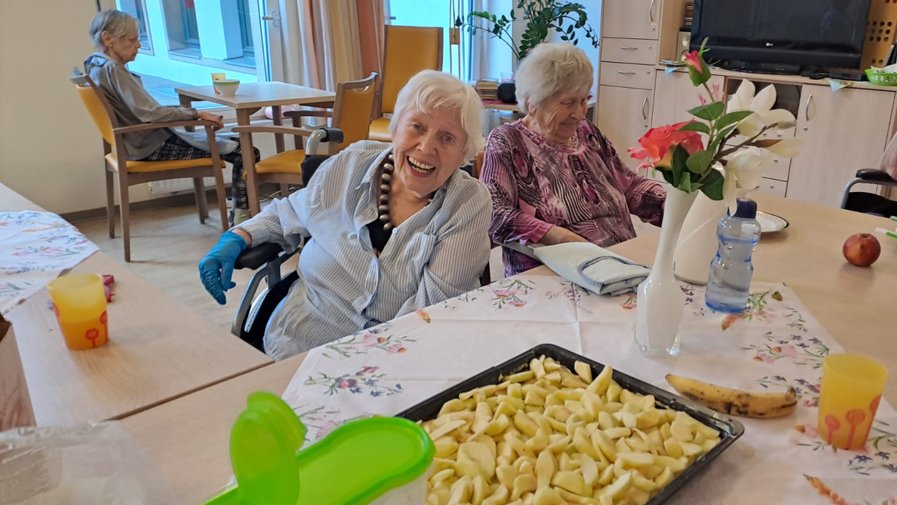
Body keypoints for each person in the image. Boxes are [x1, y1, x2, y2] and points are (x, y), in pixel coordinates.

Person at [198, 70, 492, 360]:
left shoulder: (468, 203)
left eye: (447, 138)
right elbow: (290, 211)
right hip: (299, 340)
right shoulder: (352, 163)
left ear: (464, 152)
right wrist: (238, 236)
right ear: (396, 126)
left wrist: (358, 368)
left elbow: (429, 313)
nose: (427, 148)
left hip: (395, 359)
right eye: (416, 126)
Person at [480, 43, 666, 277]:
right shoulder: (507, 141)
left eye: (583, 100)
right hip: (555, 272)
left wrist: (671, 205)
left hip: (619, 261)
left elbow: (629, 184)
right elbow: (494, 214)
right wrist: (560, 237)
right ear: (532, 103)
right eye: (568, 103)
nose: (580, 113)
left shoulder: (588, 132)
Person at [84, 9, 258, 224]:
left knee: (238, 146)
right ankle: (242, 220)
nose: (138, 44)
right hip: (151, 146)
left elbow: (145, 110)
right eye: (132, 39)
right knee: (245, 151)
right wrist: (196, 114)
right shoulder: (113, 69)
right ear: (108, 39)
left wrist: (191, 115)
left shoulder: (94, 66)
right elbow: (150, 113)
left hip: (134, 144)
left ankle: (240, 215)